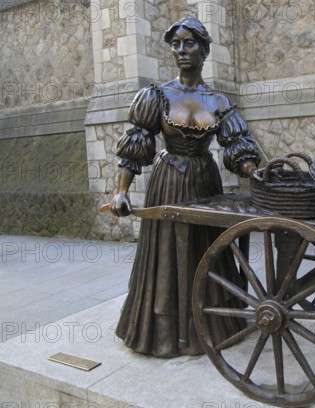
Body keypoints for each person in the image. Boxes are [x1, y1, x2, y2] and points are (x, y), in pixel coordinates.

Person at [109, 16, 261, 357]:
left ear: (204, 51)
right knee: (167, 256)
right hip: (169, 182)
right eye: (175, 44)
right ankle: (165, 334)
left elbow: (237, 146)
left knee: (206, 250)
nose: (181, 50)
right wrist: (121, 190)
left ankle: (209, 326)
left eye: (189, 43)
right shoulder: (157, 95)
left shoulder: (218, 101)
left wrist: (255, 172)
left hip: (205, 183)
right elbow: (136, 144)